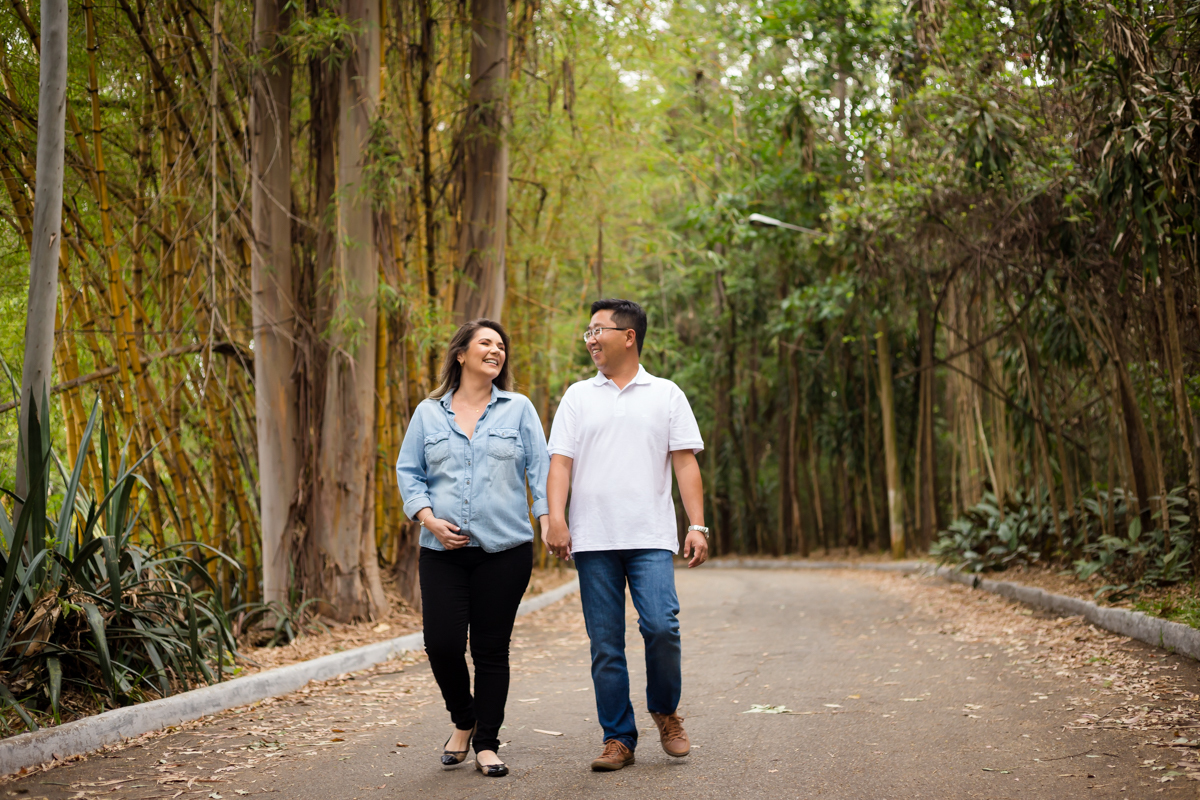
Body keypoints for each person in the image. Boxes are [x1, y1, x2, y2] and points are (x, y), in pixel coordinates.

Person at [545, 298, 710, 772]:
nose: (591, 338)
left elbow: (685, 462)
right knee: (605, 644)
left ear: (629, 336)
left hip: (650, 536)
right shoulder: (578, 395)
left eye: (599, 330)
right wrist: (556, 518)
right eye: (588, 332)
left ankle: (665, 710)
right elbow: (560, 463)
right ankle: (618, 737)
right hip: (593, 539)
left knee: (662, 626)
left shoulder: (666, 394)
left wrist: (696, 524)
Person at [395, 319, 550, 778]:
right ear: (461, 353)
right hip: (441, 550)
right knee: (441, 643)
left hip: (505, 549)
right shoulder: (428, 413)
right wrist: (428, 519)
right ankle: (464, 718)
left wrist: (548, 521)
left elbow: (539, 471)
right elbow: (409, 472)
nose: (496, 350)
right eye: (486, 342)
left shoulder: (518, 408)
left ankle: (486, 742)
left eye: (501, 345)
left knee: (490, 649)